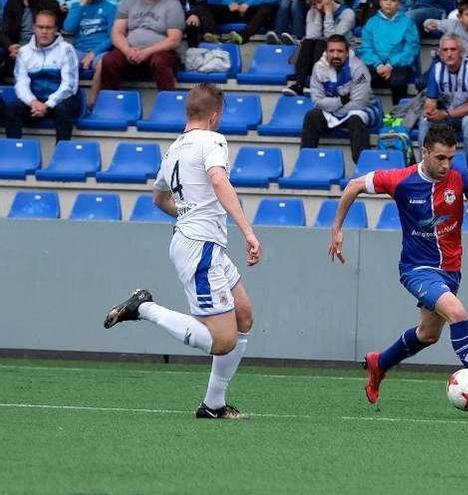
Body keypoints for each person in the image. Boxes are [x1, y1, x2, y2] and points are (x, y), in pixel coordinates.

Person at [328, 123, 468, 411]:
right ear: (425, 152)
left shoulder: (461, 177)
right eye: (440, 158)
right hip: (417, 270)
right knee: (458, 312)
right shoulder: (400, 180)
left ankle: (380, 362)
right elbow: (354, 186)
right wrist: (337, 228)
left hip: (451, 271)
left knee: (428, 334)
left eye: (451, 158)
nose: (446, 165)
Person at [103, 84, 262, 421]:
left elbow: (158, 199)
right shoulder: (213, 141)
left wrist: (188, 212)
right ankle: (144, 307)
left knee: (244, 315)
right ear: (215, 115)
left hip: (203, 243)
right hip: (199, 247)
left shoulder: (173, 149)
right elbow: (218, 181)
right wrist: (248, 231)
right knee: (223, 341)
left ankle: (213, 405)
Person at [419, 33, 468, 172]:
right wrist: (429, 111)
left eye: (453, 50)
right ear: (440, 53)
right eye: (445, 50)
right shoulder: (437, 69)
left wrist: (445, 114)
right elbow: (431, 102)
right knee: (425, 121)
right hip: (451, 118)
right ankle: (424, 168)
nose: (449, 54)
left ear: (461, 52)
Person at [301, 34, 380, 163]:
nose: (335, 55)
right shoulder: (318, 68)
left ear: (347, 53)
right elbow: (317, 101)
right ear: (326, 52)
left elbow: (359, 103)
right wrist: (340, 101)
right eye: (331, 51)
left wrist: (335, 111)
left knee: (355, 118)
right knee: (312, 116)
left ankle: (363, 169)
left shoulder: (359, 68)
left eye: (340, 51)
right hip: (333, 111)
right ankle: (306, 163)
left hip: (364, 110)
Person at [7, 10, 79, 142]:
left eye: (48, 27)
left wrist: (48, 104)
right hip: (35, 101)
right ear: (34, 28)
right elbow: (21, 84)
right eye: (40, 27)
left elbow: (69, 85)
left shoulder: (66, 49)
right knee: (13, 108)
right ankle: (13, 155)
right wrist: (33, 102)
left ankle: (61, 156)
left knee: (63, 109)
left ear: (55, 29)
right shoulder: (24, 52)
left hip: (60, 100)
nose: (44, 31)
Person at [100, 0, 186, 92]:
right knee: (109, 61)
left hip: (160, 50)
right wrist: (127, 50)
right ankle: (111, 102)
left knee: (160, 61)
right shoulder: (128, 2)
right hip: (131, 49)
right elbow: (117, 32)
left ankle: (168, 102)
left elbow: (174, 39)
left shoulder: (172, 4)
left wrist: (146, 52)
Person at [282, 0, 354, 96]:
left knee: (321, 43)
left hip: (344, 52)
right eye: (313, 4)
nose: (317, 7)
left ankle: (317, 84)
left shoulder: (347, 13)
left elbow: (333, 39)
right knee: (308, 43)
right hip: (321, 55)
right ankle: (299, 84)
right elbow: (312, 36)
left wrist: (328, 14)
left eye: (319, 2)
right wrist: (317, 15)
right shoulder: (313, 11)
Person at [358, 0, 419, 105]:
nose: (388, 3)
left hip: (398, 65)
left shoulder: (407, 23)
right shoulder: (372, 22)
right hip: (376, 65)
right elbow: (366, 47)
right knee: (360, 78)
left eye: (393, 0)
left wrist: (390, 65)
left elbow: (411, 49)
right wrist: (378, 65)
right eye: (385, 0)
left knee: (398, 82)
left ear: (399, 3)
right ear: (380, 2)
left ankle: (398, 114)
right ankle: (365, 110)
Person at [0, 0, 63, 73]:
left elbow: (51, 33)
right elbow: (4, 31)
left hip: (42, 49)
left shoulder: (50, 3)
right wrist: (10, 46)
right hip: (17, 49)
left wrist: (28, 51)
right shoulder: (12, 4)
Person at [202, 0, 278, 45]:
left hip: (252, 9)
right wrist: (230, 3)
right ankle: (214, 36)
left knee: (267, 8)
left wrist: (249, 4)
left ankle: (242, 37)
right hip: (232, 9)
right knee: (204, 7)